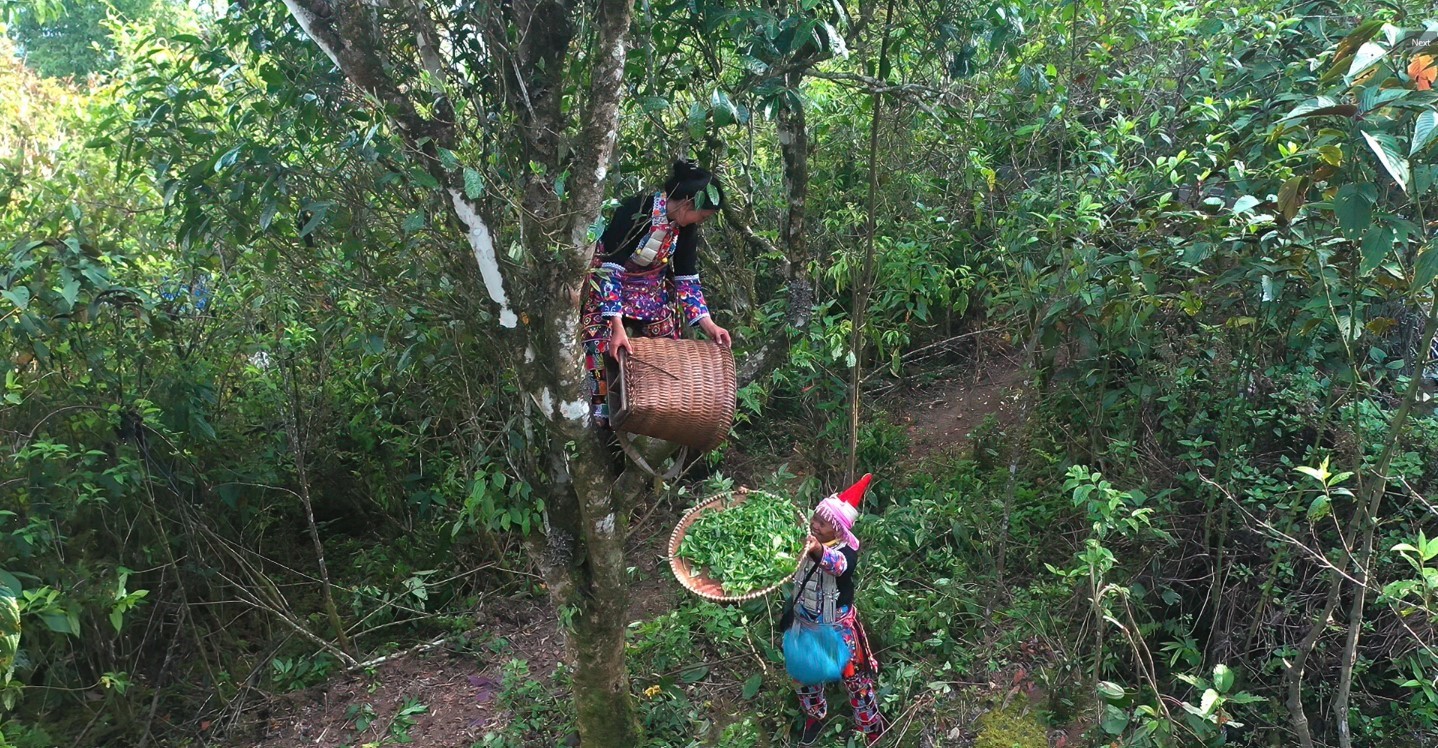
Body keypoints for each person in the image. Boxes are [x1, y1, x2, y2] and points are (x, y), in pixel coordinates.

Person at [581, 160, 733, 428]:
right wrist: (616, 325)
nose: (702, 221)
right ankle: (602, 417)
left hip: (651, 292)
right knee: (598, 341)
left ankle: (661, 409)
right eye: (704, 215)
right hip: (609, 286)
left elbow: (687, 276)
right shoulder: (634, 210)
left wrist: (708, 324)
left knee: (668, 350)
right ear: (687, 204)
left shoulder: (686, 229)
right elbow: (610, 268)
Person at [792, 474, 885, 746]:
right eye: (815, 519)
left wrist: (817, 550)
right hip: (806, 623)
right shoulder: (804, 539)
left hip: (838, 628)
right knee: (806, 675)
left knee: (856, 680)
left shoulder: (847, 552)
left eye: (823, 523)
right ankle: (815, 715)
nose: (815, 525)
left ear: (837, 529)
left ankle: (870, 727)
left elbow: (838, 566)